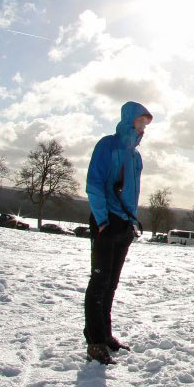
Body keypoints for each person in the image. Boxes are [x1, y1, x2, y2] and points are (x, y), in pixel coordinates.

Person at [84, 101, 152, 365]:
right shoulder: (107, 145)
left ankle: (106, 335)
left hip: (124, 225)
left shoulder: (135, 156)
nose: (144, 126)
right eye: (140, 120)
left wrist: (131, 222)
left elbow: (132, 194)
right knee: (99, 284)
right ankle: (95, 342)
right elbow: (94, 184)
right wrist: (102, 221)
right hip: (106, 223)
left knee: (111, 284)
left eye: (146, 122)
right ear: (129, 119)